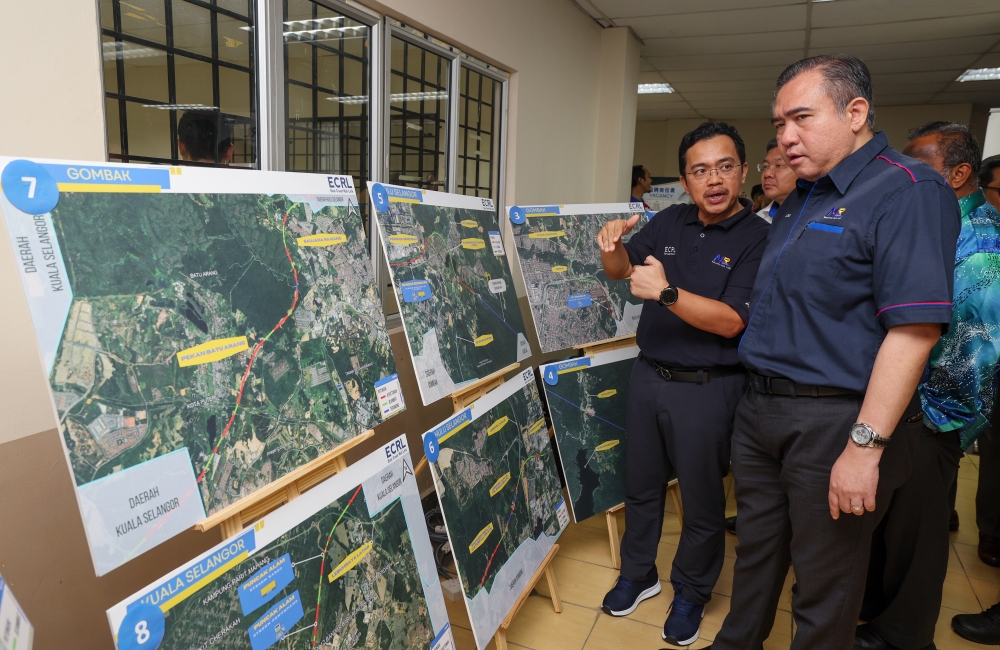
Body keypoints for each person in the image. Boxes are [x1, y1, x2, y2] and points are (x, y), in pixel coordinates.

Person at [707, 55, 960, 650]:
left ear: (855, 112)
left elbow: (914, 331)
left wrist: (864, 447)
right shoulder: (802, 197)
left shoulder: (907, 189)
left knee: (824, 587)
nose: (785, 137)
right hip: (762, 411)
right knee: (755, 560)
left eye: (801, 118)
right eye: (779, 124)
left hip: (836, 420)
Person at [596, 122, 769, 646]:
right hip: (650, 376)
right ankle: (638, 573)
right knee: (641, 487)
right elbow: (622, 270)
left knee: (701, 500)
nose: (713, 180)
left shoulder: (759, 237)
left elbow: (733, 321)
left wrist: (666, 293)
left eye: (724, 167)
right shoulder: (670, 220)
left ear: (742, 171)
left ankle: (692, 591)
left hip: (708, 387)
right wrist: (611, 245)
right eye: (700, 170)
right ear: (686, 180)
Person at [855, 121, 1000, 650]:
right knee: (890, 526)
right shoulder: (937, 222)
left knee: (917, 538)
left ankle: (903, 637)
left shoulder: (980, 243)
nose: (906, 172)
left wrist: (935, 425)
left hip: (931, 416)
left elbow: (976, 353)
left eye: (919, 163)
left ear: (958, 174)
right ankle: (874, 612)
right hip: (902, 408)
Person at [756, 138, 798, 223]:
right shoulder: (758, 220)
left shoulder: (818, 216)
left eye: (779, 165)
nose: (767, 174)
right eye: (765, 166)